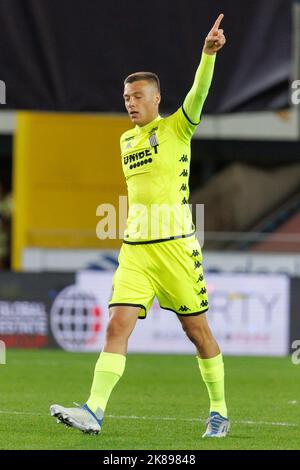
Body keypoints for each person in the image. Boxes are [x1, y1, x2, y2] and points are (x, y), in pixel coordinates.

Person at [50, 14, 229, 438]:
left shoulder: (178, 128)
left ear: (156, 99)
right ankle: (94, 410)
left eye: (137, 96)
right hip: (136, 250)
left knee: (197, 332)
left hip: (176, 248)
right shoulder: (125, 140)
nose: (129, 102)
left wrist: (207, 55)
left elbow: (199, 92)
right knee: (116, 325)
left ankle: (219, 411)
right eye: (126, 96)